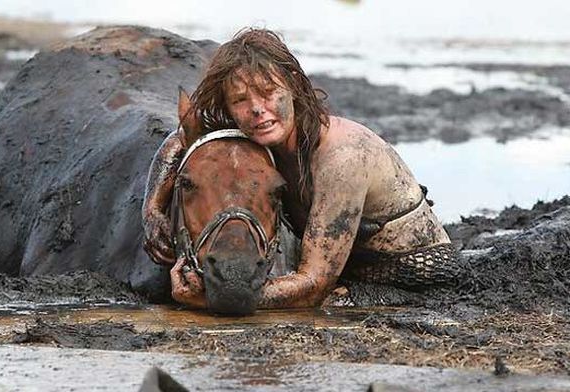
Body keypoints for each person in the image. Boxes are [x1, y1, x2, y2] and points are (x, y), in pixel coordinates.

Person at [142, 28, 457, 309]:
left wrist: (215, 295)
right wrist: (153, 208)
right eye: (239, 100)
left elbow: (313, 287)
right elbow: (180, 140)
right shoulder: (262, 133)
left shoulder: (342, 157)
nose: (255, 109)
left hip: (410, 278)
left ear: (292, 85)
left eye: (267, 92)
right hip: (341, 264)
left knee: (328, 307)